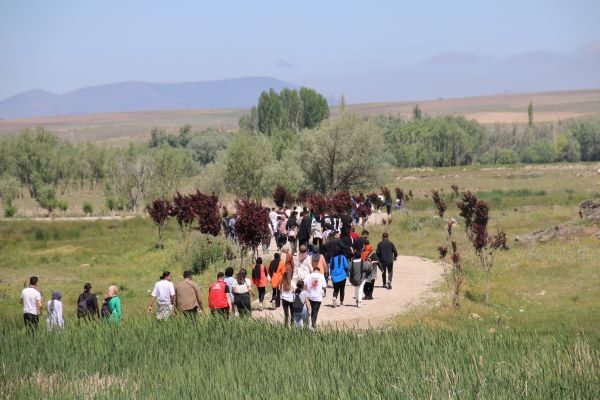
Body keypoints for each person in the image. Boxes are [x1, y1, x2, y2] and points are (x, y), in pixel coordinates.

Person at [303, 265, 327, 330]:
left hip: (310, 297)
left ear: (313, 270)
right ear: (318, 271)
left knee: (310, 311)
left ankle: (309, 324)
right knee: (315, 311)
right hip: (318, 297)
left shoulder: (309, 276)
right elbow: (324, 286)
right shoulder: (321, 276)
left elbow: (304, 283)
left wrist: (306, 291)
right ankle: (313, 325)